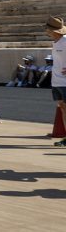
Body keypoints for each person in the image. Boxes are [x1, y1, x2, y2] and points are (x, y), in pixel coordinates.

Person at [46, 16, 66, 147]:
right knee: (63, 108)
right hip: (57, 81)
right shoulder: (56, 42)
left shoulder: (65, 41)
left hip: (65, 82)